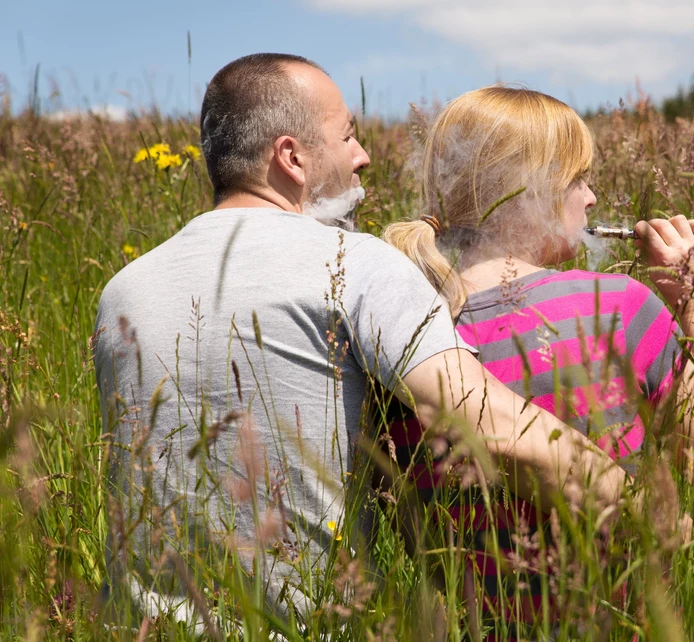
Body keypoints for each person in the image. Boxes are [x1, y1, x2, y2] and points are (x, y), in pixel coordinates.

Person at [91, 55, 627, 628]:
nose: (363, 156)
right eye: (347, 136)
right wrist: (649, 513)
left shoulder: (123, 289)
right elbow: (488, 425)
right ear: (291, 157)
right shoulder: (352, 263)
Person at [382, 85, 694, 638]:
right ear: (533, 189)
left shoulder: (405, 328)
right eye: (579, 179)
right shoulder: (618, 305)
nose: (593, 199)